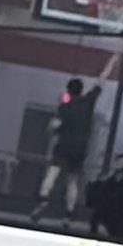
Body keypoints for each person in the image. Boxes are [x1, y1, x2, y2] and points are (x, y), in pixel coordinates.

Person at [31, 77, 99, 225]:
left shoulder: (64, 107)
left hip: (63, 145)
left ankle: (43, 198)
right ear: (81, 90)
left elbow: (53, 127)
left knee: (52, 173)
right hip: (79, 149)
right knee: (72, 181)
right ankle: (68, 214)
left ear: (68, 90)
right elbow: (100, 82)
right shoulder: (88, 103)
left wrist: (52, 129)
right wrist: (113, 62)